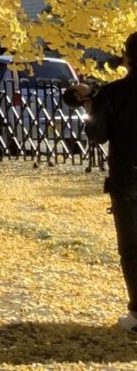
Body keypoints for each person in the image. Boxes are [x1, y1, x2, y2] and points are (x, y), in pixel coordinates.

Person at [65, 32, 137, 335]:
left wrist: (90, 104)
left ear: (127, 58)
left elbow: (97, 135)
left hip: (127, 177)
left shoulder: (115, 93)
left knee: (132, 247)